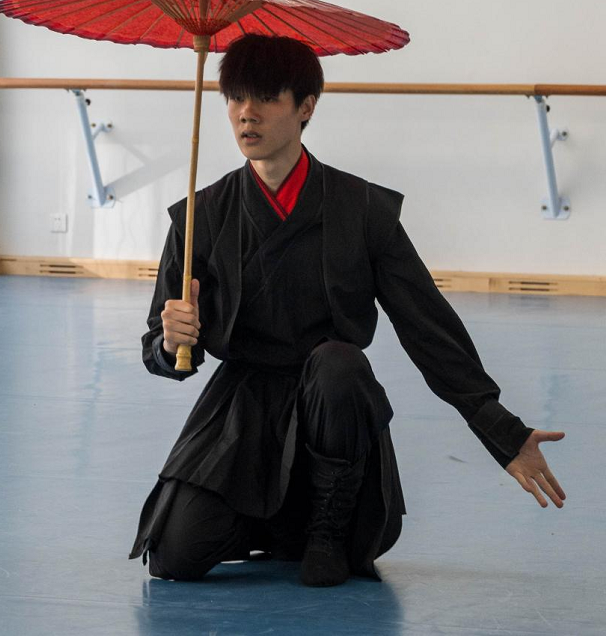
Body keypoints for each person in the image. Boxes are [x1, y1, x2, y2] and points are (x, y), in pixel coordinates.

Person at [129, 34, 565, 587]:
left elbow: (428, 326)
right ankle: (283, 526)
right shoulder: (201, 215)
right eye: (235, 98)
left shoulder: (361, 209)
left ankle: (327, 529)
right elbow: (160, 350)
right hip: (244, 403)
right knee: (174, 556)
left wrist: (502, 430)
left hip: (334, 399)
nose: (246, 113)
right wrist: (172, 341)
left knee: (338, 363)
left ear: (306, 107)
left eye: (266, 98)